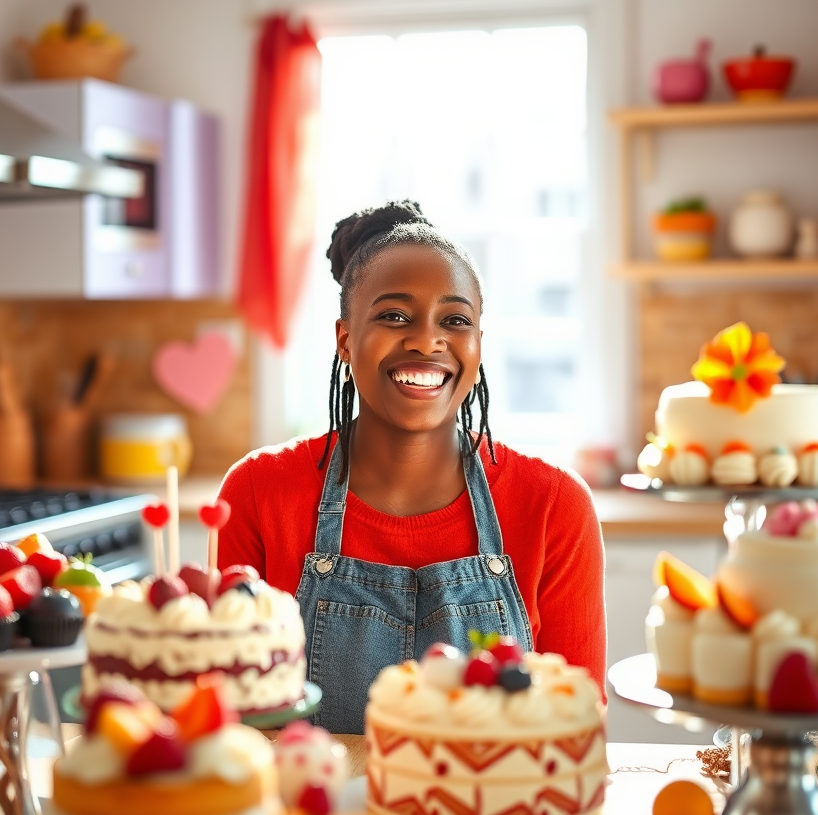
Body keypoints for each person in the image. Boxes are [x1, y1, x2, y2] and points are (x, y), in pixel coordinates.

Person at [218, 201, 606, 733]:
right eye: (394, 316)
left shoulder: (554, 505)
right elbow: (231, 725)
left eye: (455, 320)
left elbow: (576, 728)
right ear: (345, 339)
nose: (428, 340)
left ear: (477, 345)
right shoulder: (258, 492)